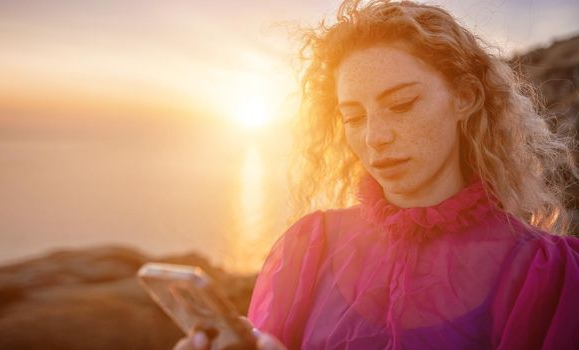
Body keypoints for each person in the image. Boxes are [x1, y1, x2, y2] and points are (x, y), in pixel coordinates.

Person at [176, 0, 579, 349]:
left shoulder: (542, 273)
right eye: (353, 116)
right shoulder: (309, 248)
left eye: (401, 104)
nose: (375, 137)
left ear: (466, 97)